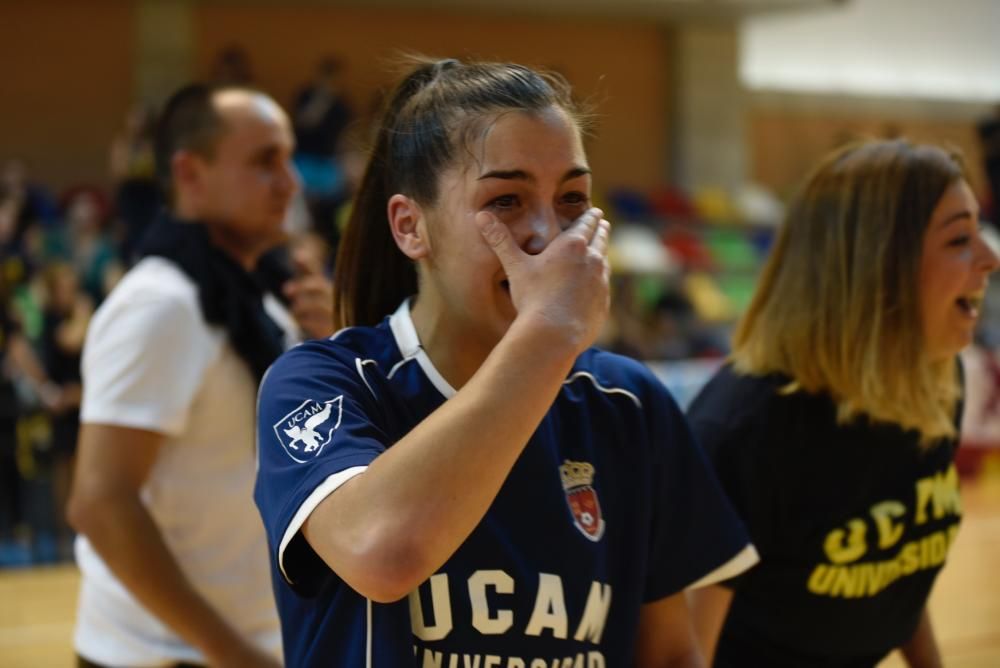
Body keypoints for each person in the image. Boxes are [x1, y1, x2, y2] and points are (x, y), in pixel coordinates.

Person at [254, 56, 757, 667]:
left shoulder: (627, 402)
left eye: (573, 198)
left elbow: (672, 654)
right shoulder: (326, 384)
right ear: (411, 226)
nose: (549, 233)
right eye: (507, 200)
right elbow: (383, 555)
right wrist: (547, 333)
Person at [686, 139, 1000, 667]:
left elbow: (897, 569)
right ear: (877, 264)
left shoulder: (933, 380)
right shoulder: (746, 431)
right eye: (959, 240)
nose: (990, 258)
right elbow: (683, 652)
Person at [68, 83, 333, 668]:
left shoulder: (263, 301)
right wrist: (234, 655)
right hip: (165, 655)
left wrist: (331, 346)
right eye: (265, 162)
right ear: (190, 173)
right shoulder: (161, 304)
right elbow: (100, 503)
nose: (290, 183)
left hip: (254, 642)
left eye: (288, 159)